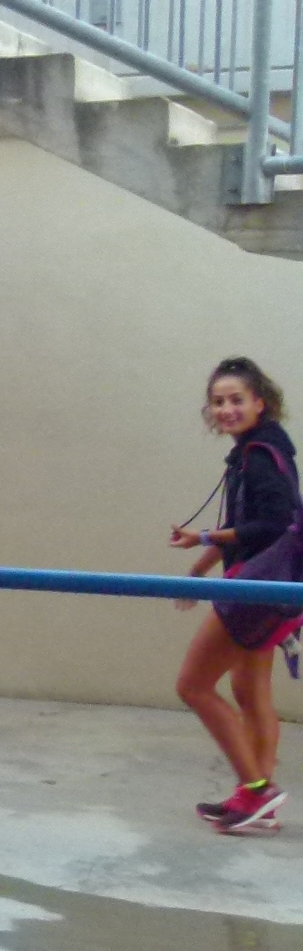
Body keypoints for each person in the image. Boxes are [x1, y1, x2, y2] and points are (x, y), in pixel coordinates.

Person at [169, 356, 298, 833]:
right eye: (218, 402)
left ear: (260, 402)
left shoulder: (259, 456)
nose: (226, 409)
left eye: (236, 399)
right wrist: (200, 566)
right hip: (271, 589)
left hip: (255, 589)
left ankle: (257, 790)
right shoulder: (261, 448)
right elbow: (242, 525)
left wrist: (204, 539)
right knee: (249, 690)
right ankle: (258, 805)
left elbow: (272, 524)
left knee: (193, 686)